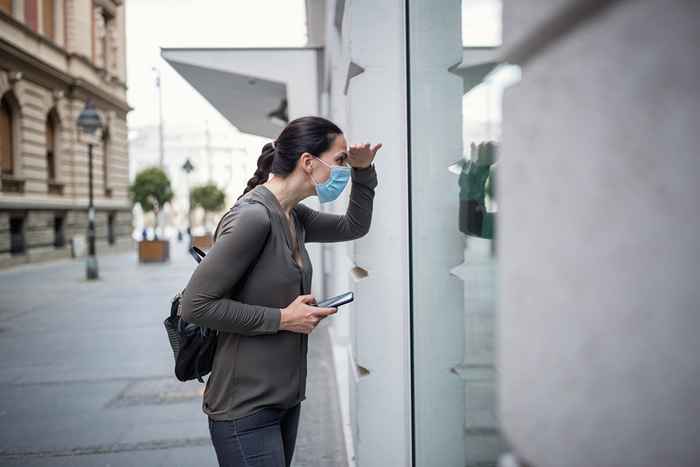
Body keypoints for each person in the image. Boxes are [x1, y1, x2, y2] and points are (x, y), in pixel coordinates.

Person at [180, 116, 382, 467]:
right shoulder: (253, 218)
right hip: (244, 406)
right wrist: (284, 318)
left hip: (283, 399)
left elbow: (354, 225)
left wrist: (364, 171)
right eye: (341, 162)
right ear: (308, 162)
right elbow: (195, 305)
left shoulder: (293, 215)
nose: (343, 172)